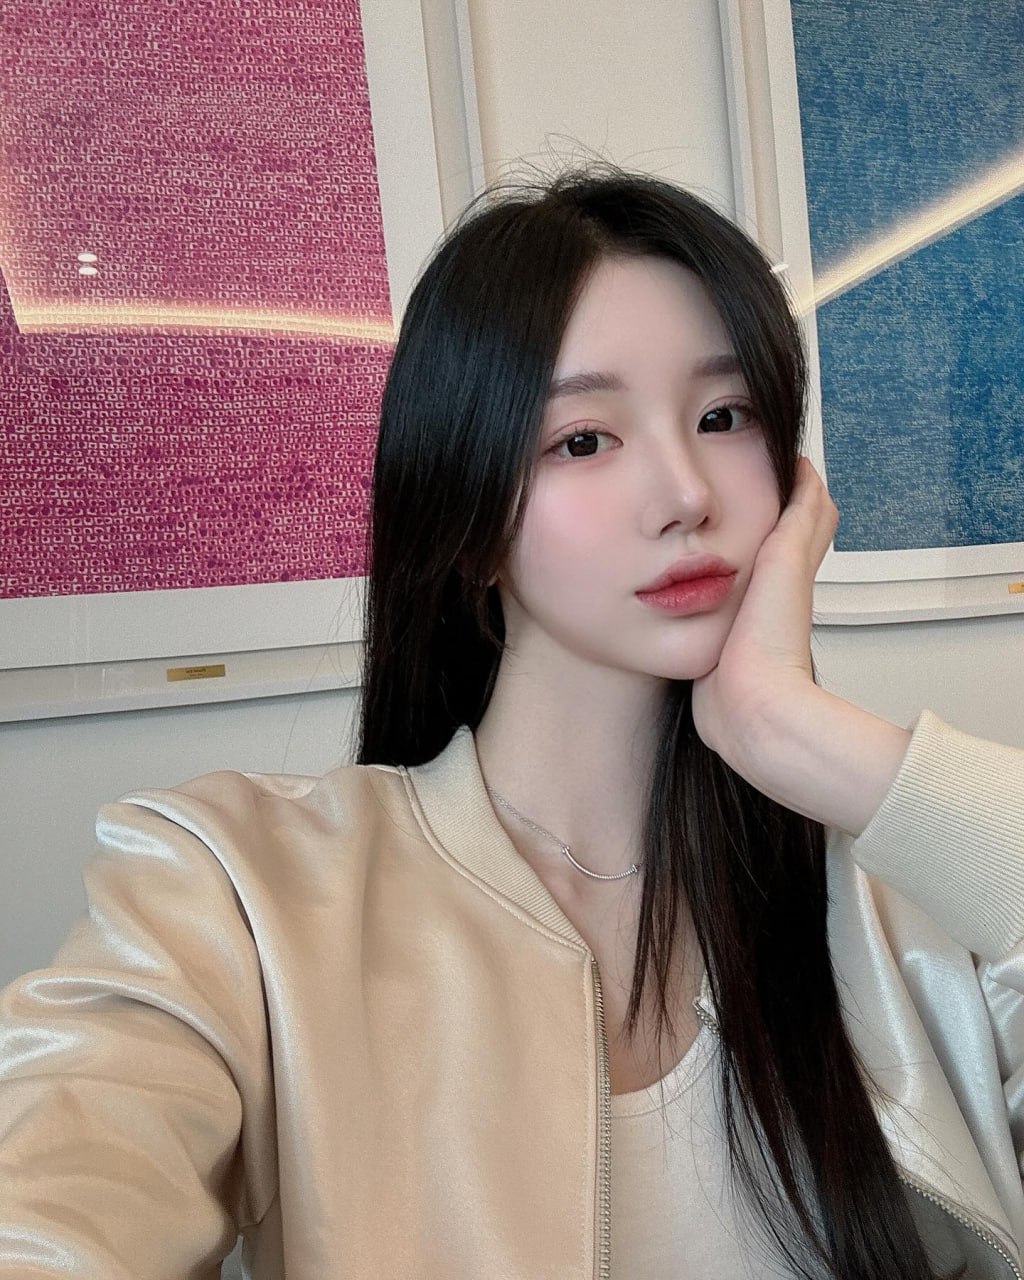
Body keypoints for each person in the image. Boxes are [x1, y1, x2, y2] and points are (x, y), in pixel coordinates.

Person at [1, 165, 1022, 1280]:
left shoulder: (904, 896)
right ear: (471, 513)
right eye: (583, 440)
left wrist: (795, 732)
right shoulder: (242, 895)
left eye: (722, 417)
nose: (686, 493)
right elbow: (55, 1202)